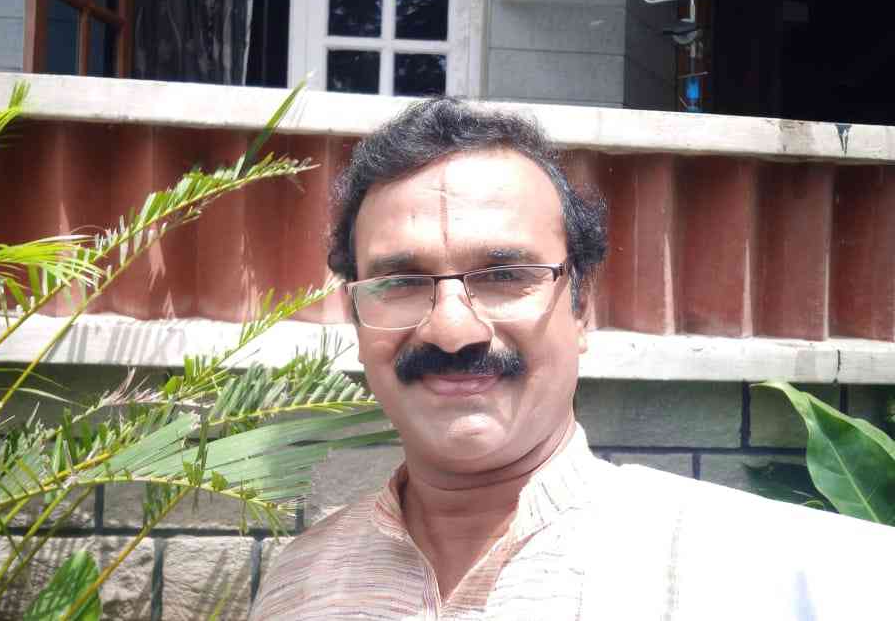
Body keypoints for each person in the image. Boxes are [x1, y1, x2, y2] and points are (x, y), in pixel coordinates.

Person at [249, 98, 890, 620]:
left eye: (505, 275)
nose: (451, 330)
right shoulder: (300, 585)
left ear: (581, 308)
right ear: (356, 317)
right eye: (401, 282)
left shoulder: (787, 576)